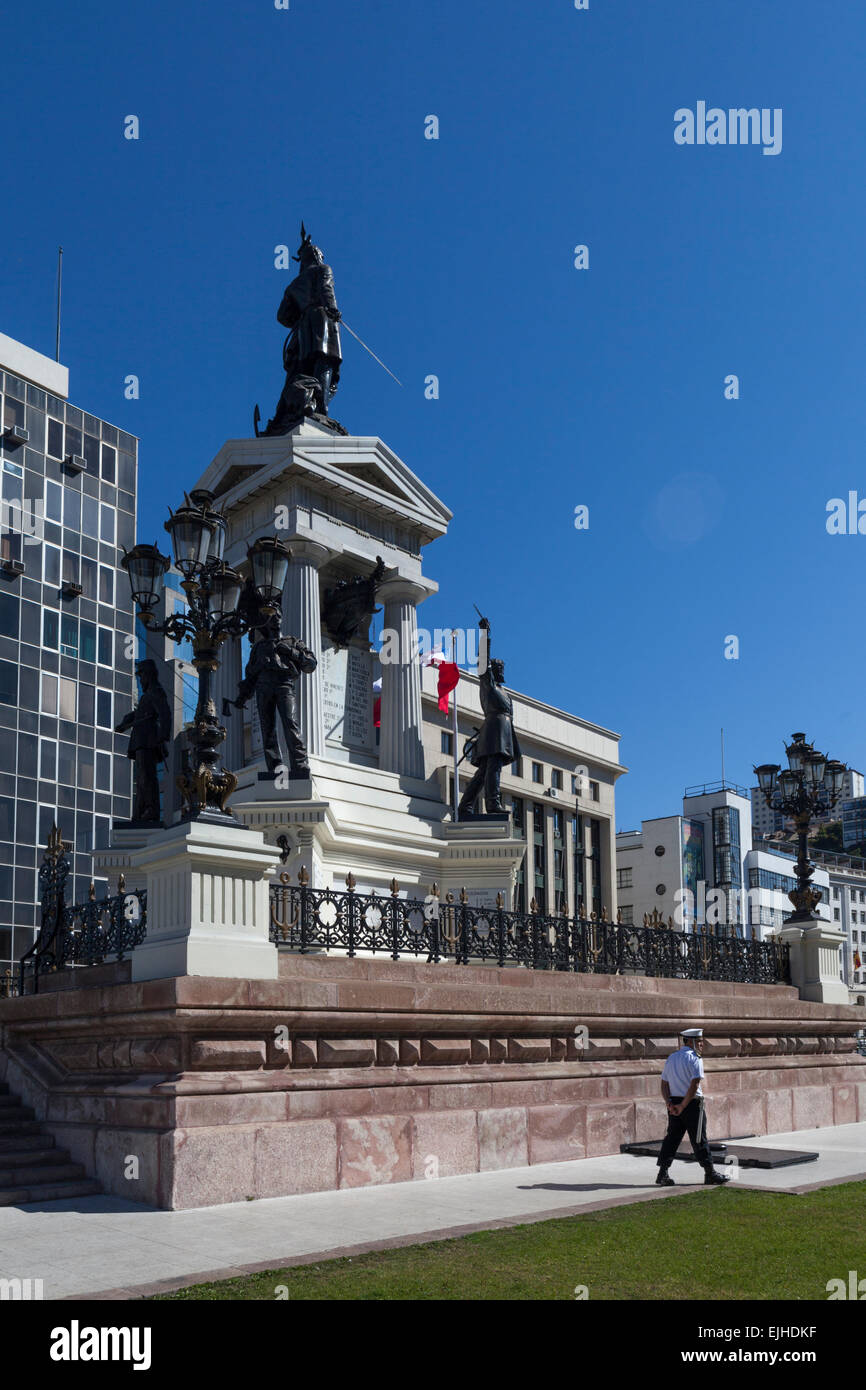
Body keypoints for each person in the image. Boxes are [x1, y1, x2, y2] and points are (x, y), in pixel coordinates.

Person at [232, 616, 317, 777]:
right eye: (271, 617)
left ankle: (300, 764)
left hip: (284, 684)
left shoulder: (293, 642)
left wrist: (291, 652)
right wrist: (243, 696)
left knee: (291, 724)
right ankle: (275, 767)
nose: (276, 619)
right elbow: (250, 676)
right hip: (263, 688)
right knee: (268, 729)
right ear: (267, 623)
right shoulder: (259, 647)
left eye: (278, 616)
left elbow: (311, 664)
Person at [656, 1027, 730, 1186]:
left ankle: (662, 1173)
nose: (702, 1044)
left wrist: (669, 1103)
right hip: (691, 1104)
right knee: (699, 1139)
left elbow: (664, 1084)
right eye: (700, 1041)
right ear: (691, 1041)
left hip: (675, 1102)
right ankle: (710, 1173)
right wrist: (683, 1105)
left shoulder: (672, 1057)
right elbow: (695, 1083)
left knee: (672, 1138)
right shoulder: (695, 1058)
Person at [457, 655, 521, 817]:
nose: (502, 671)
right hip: (494, 731)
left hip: (504, 731)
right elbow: (483, 662)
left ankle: (465, 805)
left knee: (483, 772)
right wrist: (485, 634)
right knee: (493, 769)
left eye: (502, 668)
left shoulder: (504, 692)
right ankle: (492, 803)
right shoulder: (488, 685)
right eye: (498, 668)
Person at [114, 659, 172, 823]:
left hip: (148, 741)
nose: (140, 680)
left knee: (147, 777)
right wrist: (124, 723)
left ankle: (151, 810)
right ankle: (140, 812)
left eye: (142, 676)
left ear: (148, 675)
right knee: (141, 778)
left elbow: (165, 714)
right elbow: (139, 714)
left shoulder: (156, 691)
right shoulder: (147, 695)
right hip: (141, 741)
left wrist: (163, 736)